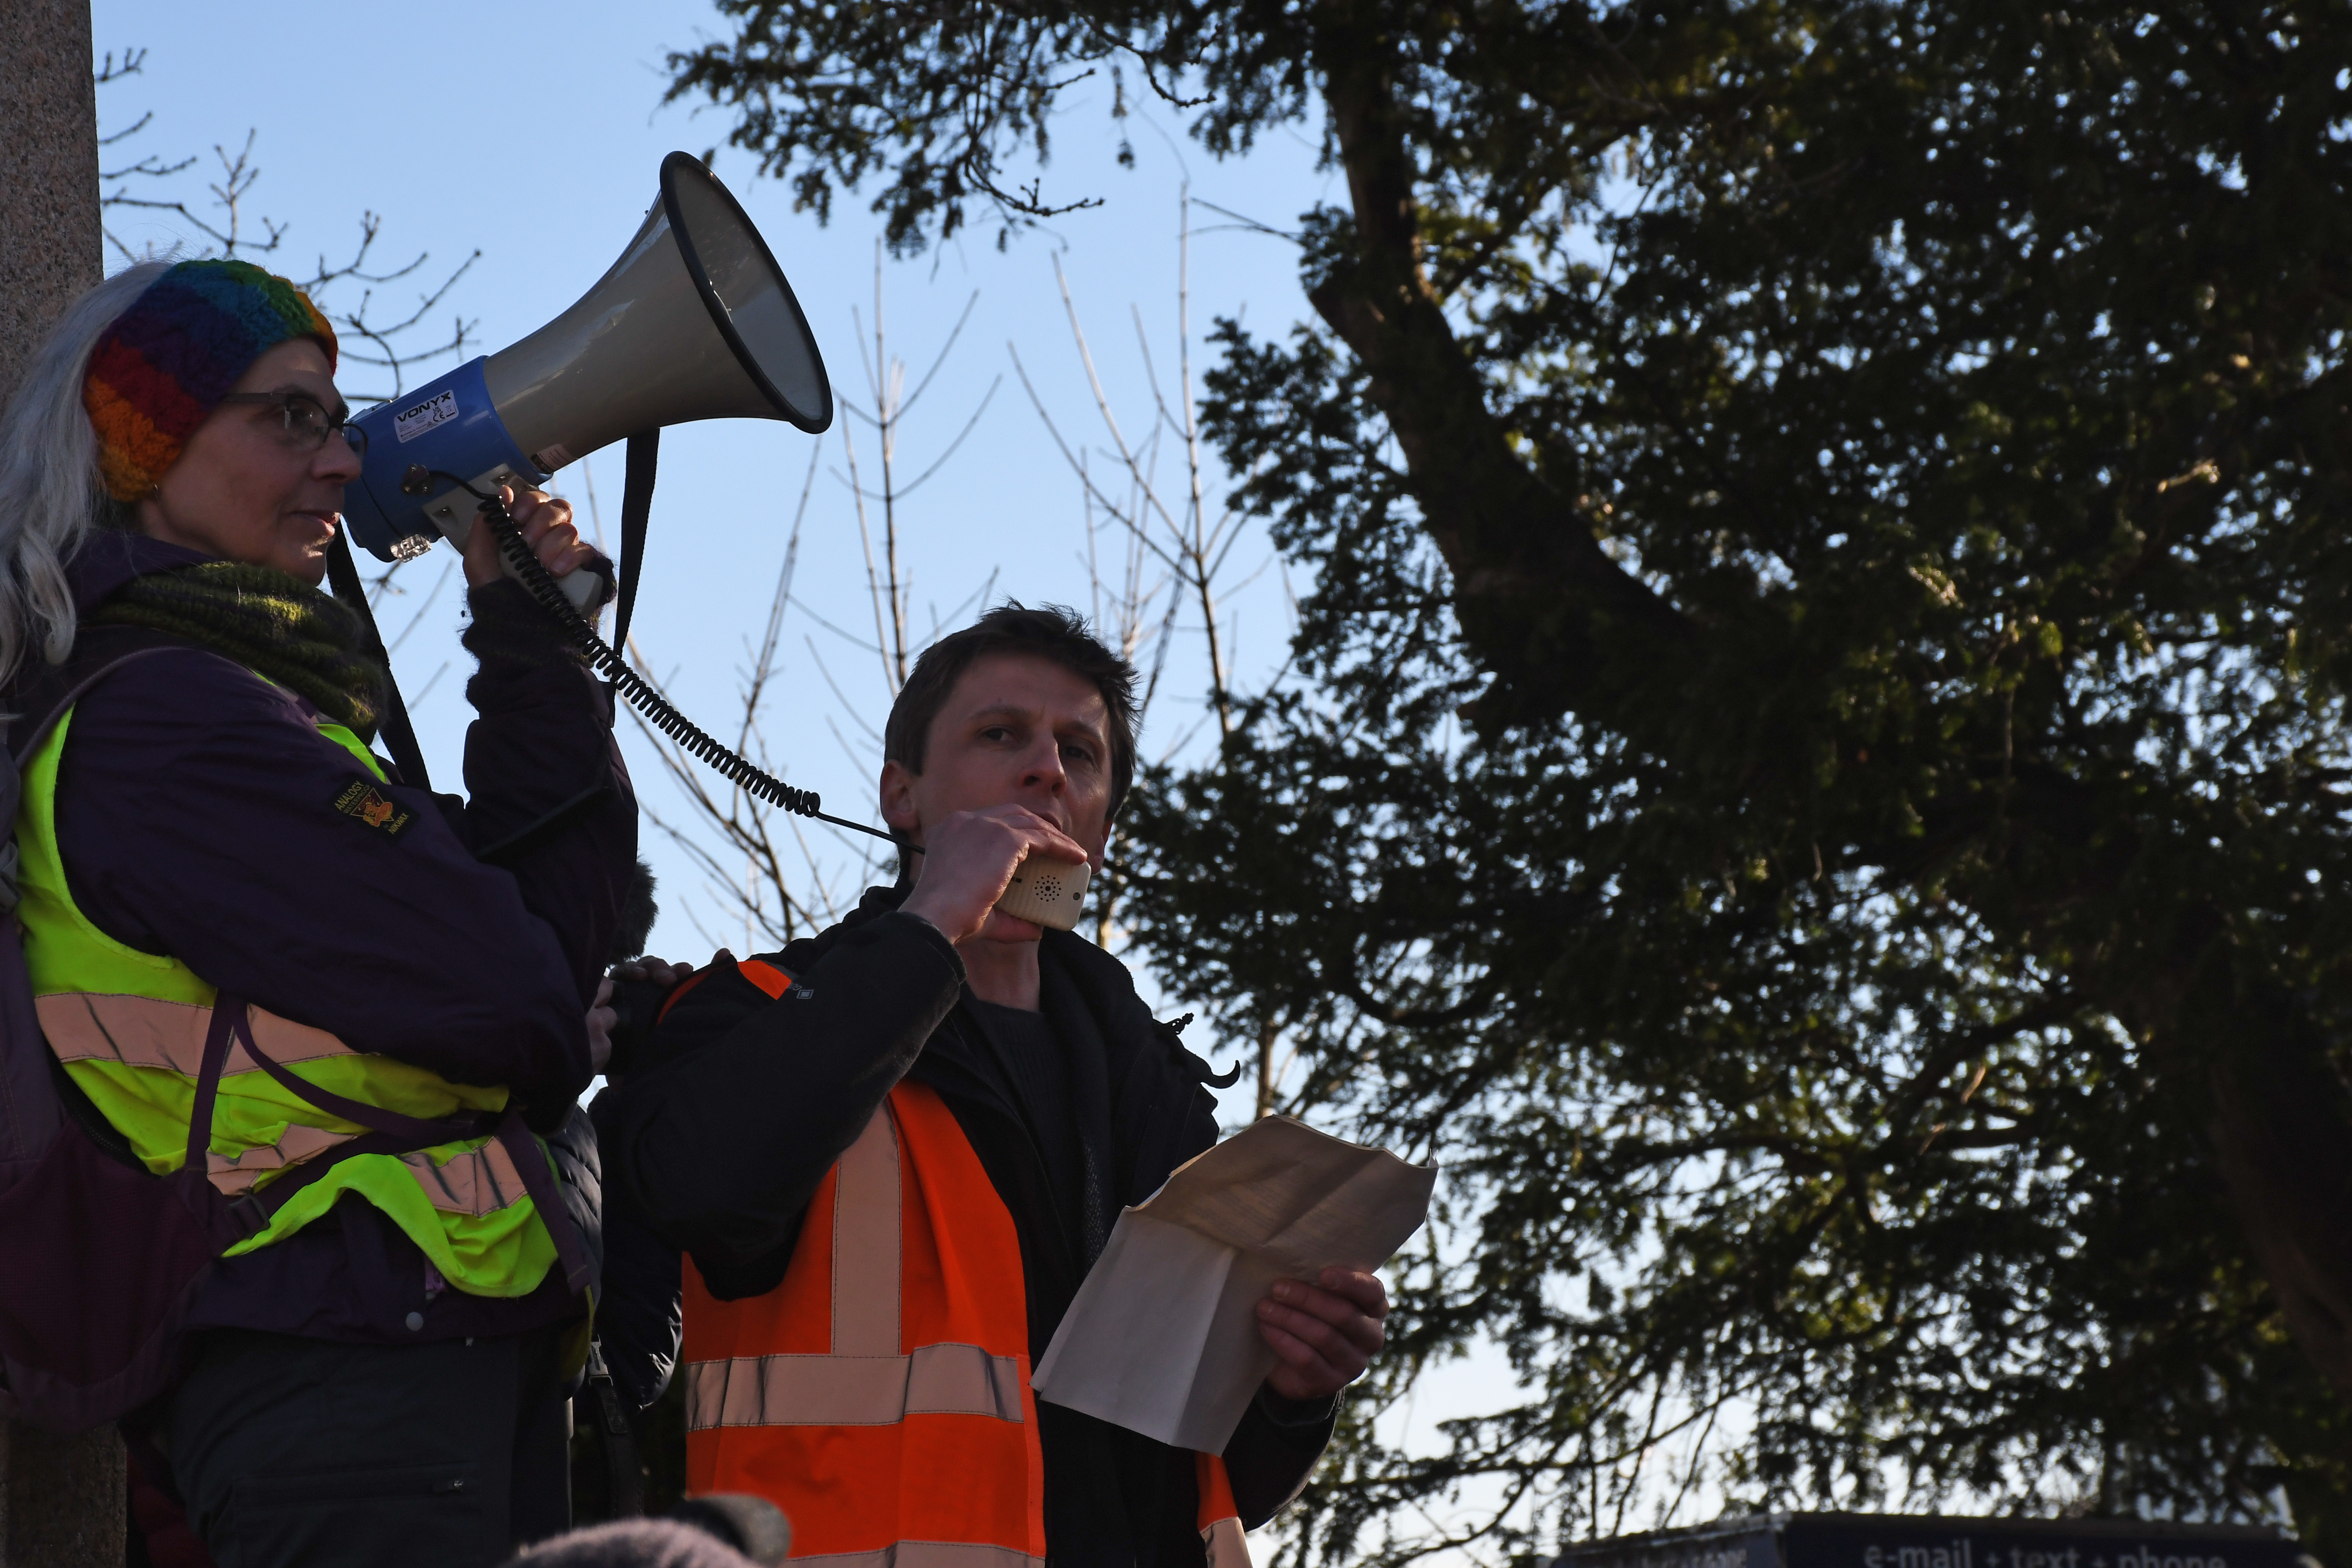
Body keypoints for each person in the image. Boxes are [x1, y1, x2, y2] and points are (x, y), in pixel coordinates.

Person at [0, 259, 638, 1562]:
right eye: (290, 417)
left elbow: (560, 934)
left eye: (338, 422)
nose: (343, 463)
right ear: (141, 443)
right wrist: (541, 998)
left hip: (403, 1342)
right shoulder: (165, 722)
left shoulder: (271, 715)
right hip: (336, 1357)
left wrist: (531, 644)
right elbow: (526, 1002)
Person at [600, 605, 1389, 1568]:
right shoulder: (745, 1011)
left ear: (1100, 821)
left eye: (1081, 753)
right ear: (903, 795)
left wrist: (1294, 1392)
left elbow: (1193, 1473)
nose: (1048, 768)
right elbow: (694, 1188)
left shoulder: (1158, 1092)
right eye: (1002, 733)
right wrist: (933, 922)